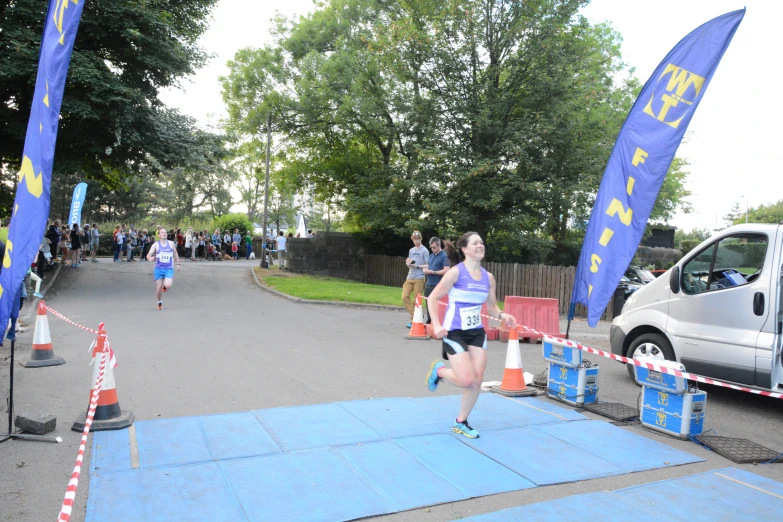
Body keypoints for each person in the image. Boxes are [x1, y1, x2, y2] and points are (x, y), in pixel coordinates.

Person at [425, 232, 517, 439]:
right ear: (465, 249)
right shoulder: (456, 273)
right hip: (454, 331)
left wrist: (503, 315)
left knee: (477, 380)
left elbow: (492, 307)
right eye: (475, 243)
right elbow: (432, 298)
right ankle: (439, 371)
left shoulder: (488, 278)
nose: (480, 245)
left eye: (482, 242)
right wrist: (437, 324)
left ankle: (461, 421)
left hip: (476, 332)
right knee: (467, 380)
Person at [146, 228, 181, 310]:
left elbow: (175, 254)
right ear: (159, 235)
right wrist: (150, 258)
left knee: (168, 284)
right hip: (158, 269)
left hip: (168, 268)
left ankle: (164, 287)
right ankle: (159, 301)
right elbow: (148, 255)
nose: (165, 233)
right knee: (158, 287)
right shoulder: (156, 245)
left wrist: (178, 264)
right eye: (162, 232)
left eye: (165, 232)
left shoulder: (171, 243)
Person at [401, 230, 428, 329]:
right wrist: (408, 263)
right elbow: (410, 262)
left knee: (416, 300)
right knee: (404, 297)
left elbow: (427, 265)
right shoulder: (411, 250)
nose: (416, 241)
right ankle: (418, 316)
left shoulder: (425, 250)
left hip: (419, 278)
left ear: (421, 239)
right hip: (410, 277)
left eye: (417, 239)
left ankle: (414, 321)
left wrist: (416, 266)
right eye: (414, 240)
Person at [422, 236, 449, 324]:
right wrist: (425, 270)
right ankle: (430, 321)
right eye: (431, 248)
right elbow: (428, 266)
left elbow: (446, 270)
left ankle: (437, 322)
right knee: (428, 303)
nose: (433, 249)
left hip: (438, 284)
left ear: (439, 245)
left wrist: (433, 272)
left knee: (437, 305)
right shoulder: (431, 256)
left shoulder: (444, 256)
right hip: (429, 283)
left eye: (434, 247)